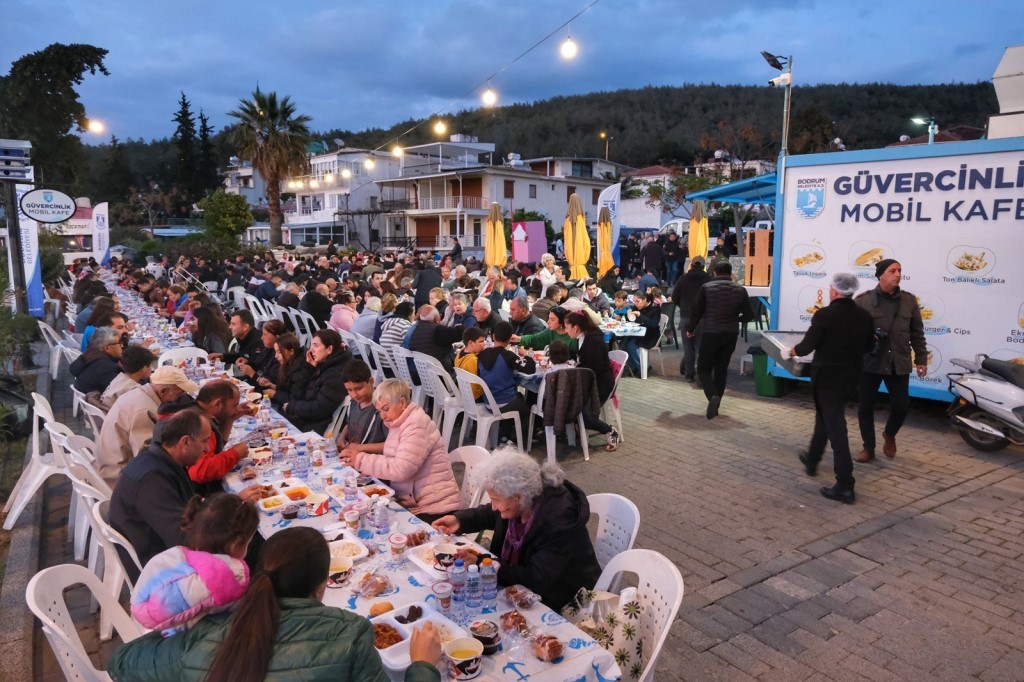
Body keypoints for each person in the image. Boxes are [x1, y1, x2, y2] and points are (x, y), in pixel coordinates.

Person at [109, 527, 443, 682]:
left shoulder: (206, 631)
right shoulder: (350, 634)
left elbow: (119, 662)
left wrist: (182, 615)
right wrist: (422, 665)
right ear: (323, 585)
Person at [431, 448, 600, 611]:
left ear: (518, 497)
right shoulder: (523, 500)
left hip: (563, 598)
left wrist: (483, 563)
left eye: (496, 500)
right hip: (523, 585)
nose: (494, 506)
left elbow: (535, 578)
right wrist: (460, 519)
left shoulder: (558, 522)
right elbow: (491, 513)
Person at [789, 273, 874, 504]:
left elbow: (806, 347)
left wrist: (791, 352)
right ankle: (812, 460)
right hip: (850, 377)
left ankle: (845, 484)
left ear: (835, 291)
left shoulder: (825, 314)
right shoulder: (865, 316)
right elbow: (870, 346)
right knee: (825, 418)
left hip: (827, 378)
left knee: (836, 428)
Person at [130, 493, 258, 634]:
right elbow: (243, 616)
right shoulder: (231, 576)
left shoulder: (174, 555)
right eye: (248, 542)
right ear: (235, 545)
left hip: (161, 632)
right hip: (199, 641)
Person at [109, 411, 212, 571]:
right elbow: (185, 539)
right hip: (158, 566)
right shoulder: (152, 480)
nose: (207, 449)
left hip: (161, 545)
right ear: (185, 442)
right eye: (204, 441)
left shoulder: (155, 460)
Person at [346, 379, 462, 519]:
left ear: (401, 403)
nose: (382, 416)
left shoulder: (416, 424)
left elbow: (402, 468)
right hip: (412, 500)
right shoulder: (399, 422)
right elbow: (392, 460)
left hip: (436, 507)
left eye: (386, 409)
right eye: (379, 411)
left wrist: (361, 459)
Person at [854, 259, 929, 462]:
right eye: (892, 271)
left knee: (901, 405)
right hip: (870, 361)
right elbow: (852, 332)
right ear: (880, 275)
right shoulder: (862, 301)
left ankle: (890, 434)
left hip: (898, 360)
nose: (897, 274)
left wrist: (921, 359)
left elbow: (917, 332)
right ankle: (868, 448)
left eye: (899, 271)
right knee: (865, 408)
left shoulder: (909, 301)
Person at [97, 366, 199, 488]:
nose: (181, 397)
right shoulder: (144, 410)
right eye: (179, 393)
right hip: (119, 479)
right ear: (163, 391)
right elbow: (148, 456)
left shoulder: (140, 393)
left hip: (116, 465)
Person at [686, 261, 753, 419]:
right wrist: (736, 318)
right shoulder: (740, 290)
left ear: (714, 273)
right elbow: (749, 315)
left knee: (703, 369)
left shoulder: (706, 288)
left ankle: (712, 397)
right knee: (721, 369)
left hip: (710, 332)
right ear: (730, 274)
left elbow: (697, 311)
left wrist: (690, 329)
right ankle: (716, 407)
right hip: (730, 333)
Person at [563, 311, 620, 450]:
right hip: (587, 380)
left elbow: (593, 369)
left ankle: (610, 430)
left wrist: (575, 367)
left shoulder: (593, 341)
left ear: (575, 328)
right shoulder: (581, 338)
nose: (565, 330)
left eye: (566, 327)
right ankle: (571, 429)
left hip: (599, 383)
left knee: (584, 414)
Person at [477, 322, 536, 445]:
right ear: (510, 339)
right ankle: (518, 440)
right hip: (504, 403)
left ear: (493, 337)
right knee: (526, 409)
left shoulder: (482, 354)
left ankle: (504, 436)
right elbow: (530, 369)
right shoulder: (509, 356)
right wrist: (526, 355)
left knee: (515, 398)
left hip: (488, 401)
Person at [282, 329, 350, 434]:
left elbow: (320, 409)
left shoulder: (335, 375)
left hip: (316, 426)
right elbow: (296, 393)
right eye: (311, 345)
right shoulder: (321, 364)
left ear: (329, 349)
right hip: (305, 417)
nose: (311, 350)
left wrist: (291, 407)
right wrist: (309, 368)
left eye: (316, 346)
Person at [337, 360, 388, 459]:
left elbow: (391, 445)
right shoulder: (354, 403)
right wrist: (341, 437)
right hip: (352, 458)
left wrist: (360, 448)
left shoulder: (383, 409)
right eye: (349, 390)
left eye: (358, 388)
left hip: (371, 462)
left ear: (371, 382)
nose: (354, 395)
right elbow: (350, 424)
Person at [671, 257, 711, 382]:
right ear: (703, 266)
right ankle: (702, 374)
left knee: (688, 346)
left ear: (691, 265)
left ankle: (689, 374)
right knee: (700, 346)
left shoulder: (683, 279)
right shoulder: (708, 280)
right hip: (702, 318)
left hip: (685, 316)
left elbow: (674, 297)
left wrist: (683, 306)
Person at [618, 290, 662, 377]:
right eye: (634, 301)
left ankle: (645, 367)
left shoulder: (655, 308)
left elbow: (653, 324)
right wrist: (628, 315)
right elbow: (630, 318)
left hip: (650, 335)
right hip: (636, 333)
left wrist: (640, 315)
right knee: (623, 343)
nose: (636, 304)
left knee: (630, 344)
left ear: (645, 299)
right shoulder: (636, 307)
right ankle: (634, 368)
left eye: (638, 301)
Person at [70, 326, 124, 395]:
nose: (122, 346)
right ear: (107, 348)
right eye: (119, 343)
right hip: (102, 402)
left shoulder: (89, 355)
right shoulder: (107, 367)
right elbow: (123, 390)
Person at [265, 333, 314, 408]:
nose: (276, 356)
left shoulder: (301, 370)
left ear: (291, 351)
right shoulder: (289, 363)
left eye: (279, 352)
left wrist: (274, 394)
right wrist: (272, 386)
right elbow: (288, 389)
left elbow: (295, 399)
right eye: (275, 352)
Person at [236, 319, 284, 387]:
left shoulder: (280, 358)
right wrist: (246, 363)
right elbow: (258, 365)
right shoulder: (268, 349)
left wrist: (252, 374)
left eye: (265, 334)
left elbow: (269, 384)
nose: (262, 338)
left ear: (276, 337)